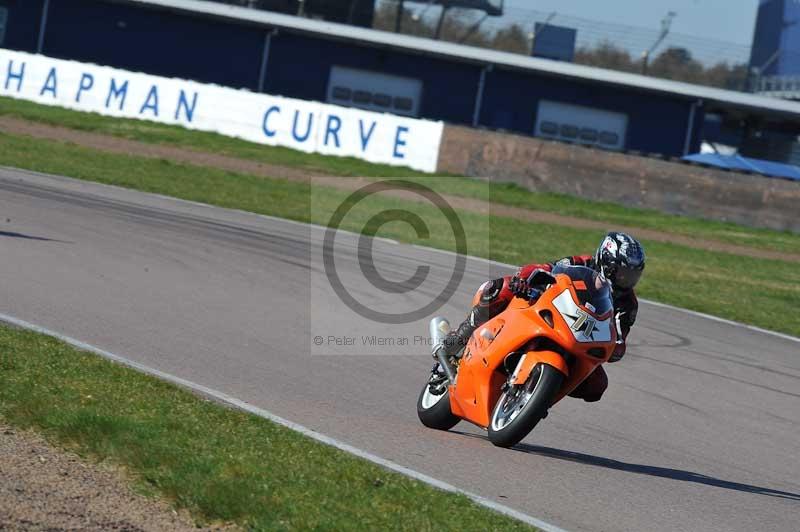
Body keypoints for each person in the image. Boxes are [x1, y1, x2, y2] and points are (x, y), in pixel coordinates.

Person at [442, 231, 645, 403]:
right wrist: (523, 280)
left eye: (632, 275)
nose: (626, 280)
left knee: (597, 386)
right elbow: (546, 269)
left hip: (581, 338)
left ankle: (537, 395)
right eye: (622, 273)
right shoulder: (581, 262)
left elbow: (620, 337)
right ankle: (457, 339)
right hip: (552, 312)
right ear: (606, 263)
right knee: (500, 288)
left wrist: (616, 349)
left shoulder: (628, 304)